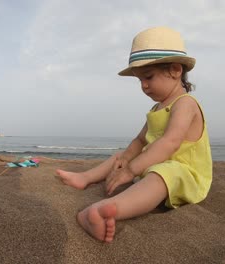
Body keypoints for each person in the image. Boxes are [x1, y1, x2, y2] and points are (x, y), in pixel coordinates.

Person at [56, 26, 212, 243]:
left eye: (148, 77)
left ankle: (105, 211)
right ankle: (85, 178)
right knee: (121, 156)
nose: (144, 86)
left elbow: (170, 142)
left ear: (175, 70)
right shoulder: (157, 109)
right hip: (155, 165)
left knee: (163, 174)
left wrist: (131, 170)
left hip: (183, 175)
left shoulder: (185, 104)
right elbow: (140, 141)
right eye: (140, 80)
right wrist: (126, 161)